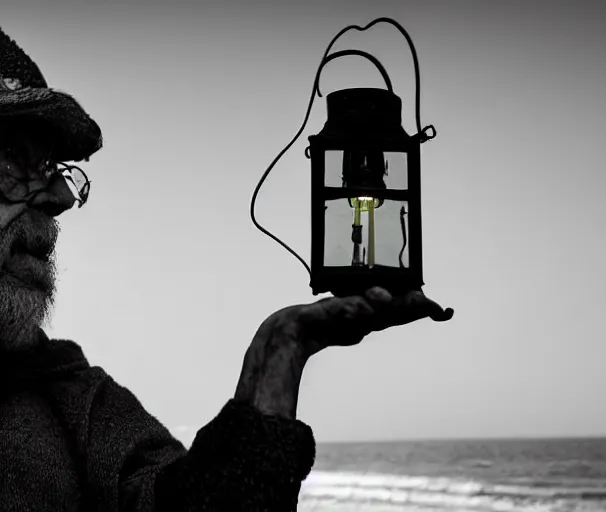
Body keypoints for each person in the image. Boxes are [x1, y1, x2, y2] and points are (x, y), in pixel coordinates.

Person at [0, 26, 453, 511]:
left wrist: (280, 350)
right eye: (16, 162)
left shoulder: (71, 405)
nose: (61, 198)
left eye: (53, 167)